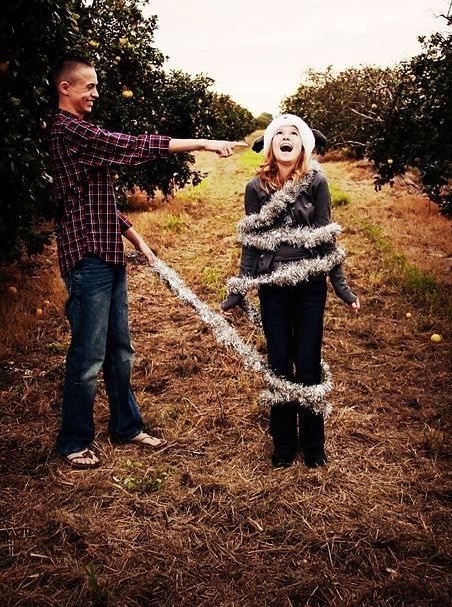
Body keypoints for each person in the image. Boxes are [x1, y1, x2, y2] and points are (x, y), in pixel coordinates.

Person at [50, 54, 246, 469]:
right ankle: (73, 442)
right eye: (89, 86)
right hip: (87, 260)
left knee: (120, 349)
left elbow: (98, 202)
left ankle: (125, 426)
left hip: (108, 255)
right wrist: (202, 143)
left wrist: (137, 240)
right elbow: (132, 145)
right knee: (88, 356)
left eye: (98, 86)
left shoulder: (83, 138)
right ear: (64, 88)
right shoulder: (69, 131)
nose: (96, 93)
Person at [221, 114, 359, 469]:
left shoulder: (317, 182)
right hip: (274, 287)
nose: (286, 137)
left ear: (304, 144)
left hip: (311, 287)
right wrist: (239, 288)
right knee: (280, 362)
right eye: (278, 133)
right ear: (269, 144)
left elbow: (328, 235)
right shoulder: (256, 188)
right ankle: (283, 444)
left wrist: (340, 285)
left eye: (293, 132)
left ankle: (313, 444)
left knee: (308, 362)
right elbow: (251, 243)